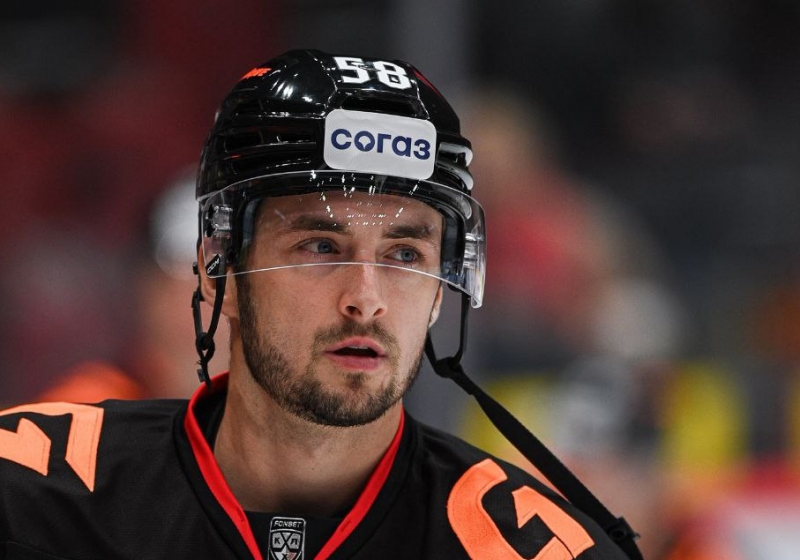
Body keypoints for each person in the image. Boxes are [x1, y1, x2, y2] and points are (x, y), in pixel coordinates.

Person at [0, 49, 641, 559]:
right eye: (320, 246)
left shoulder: (531, 550)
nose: (366, 299)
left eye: (405, 255)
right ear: (219, 270)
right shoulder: (29, 497)